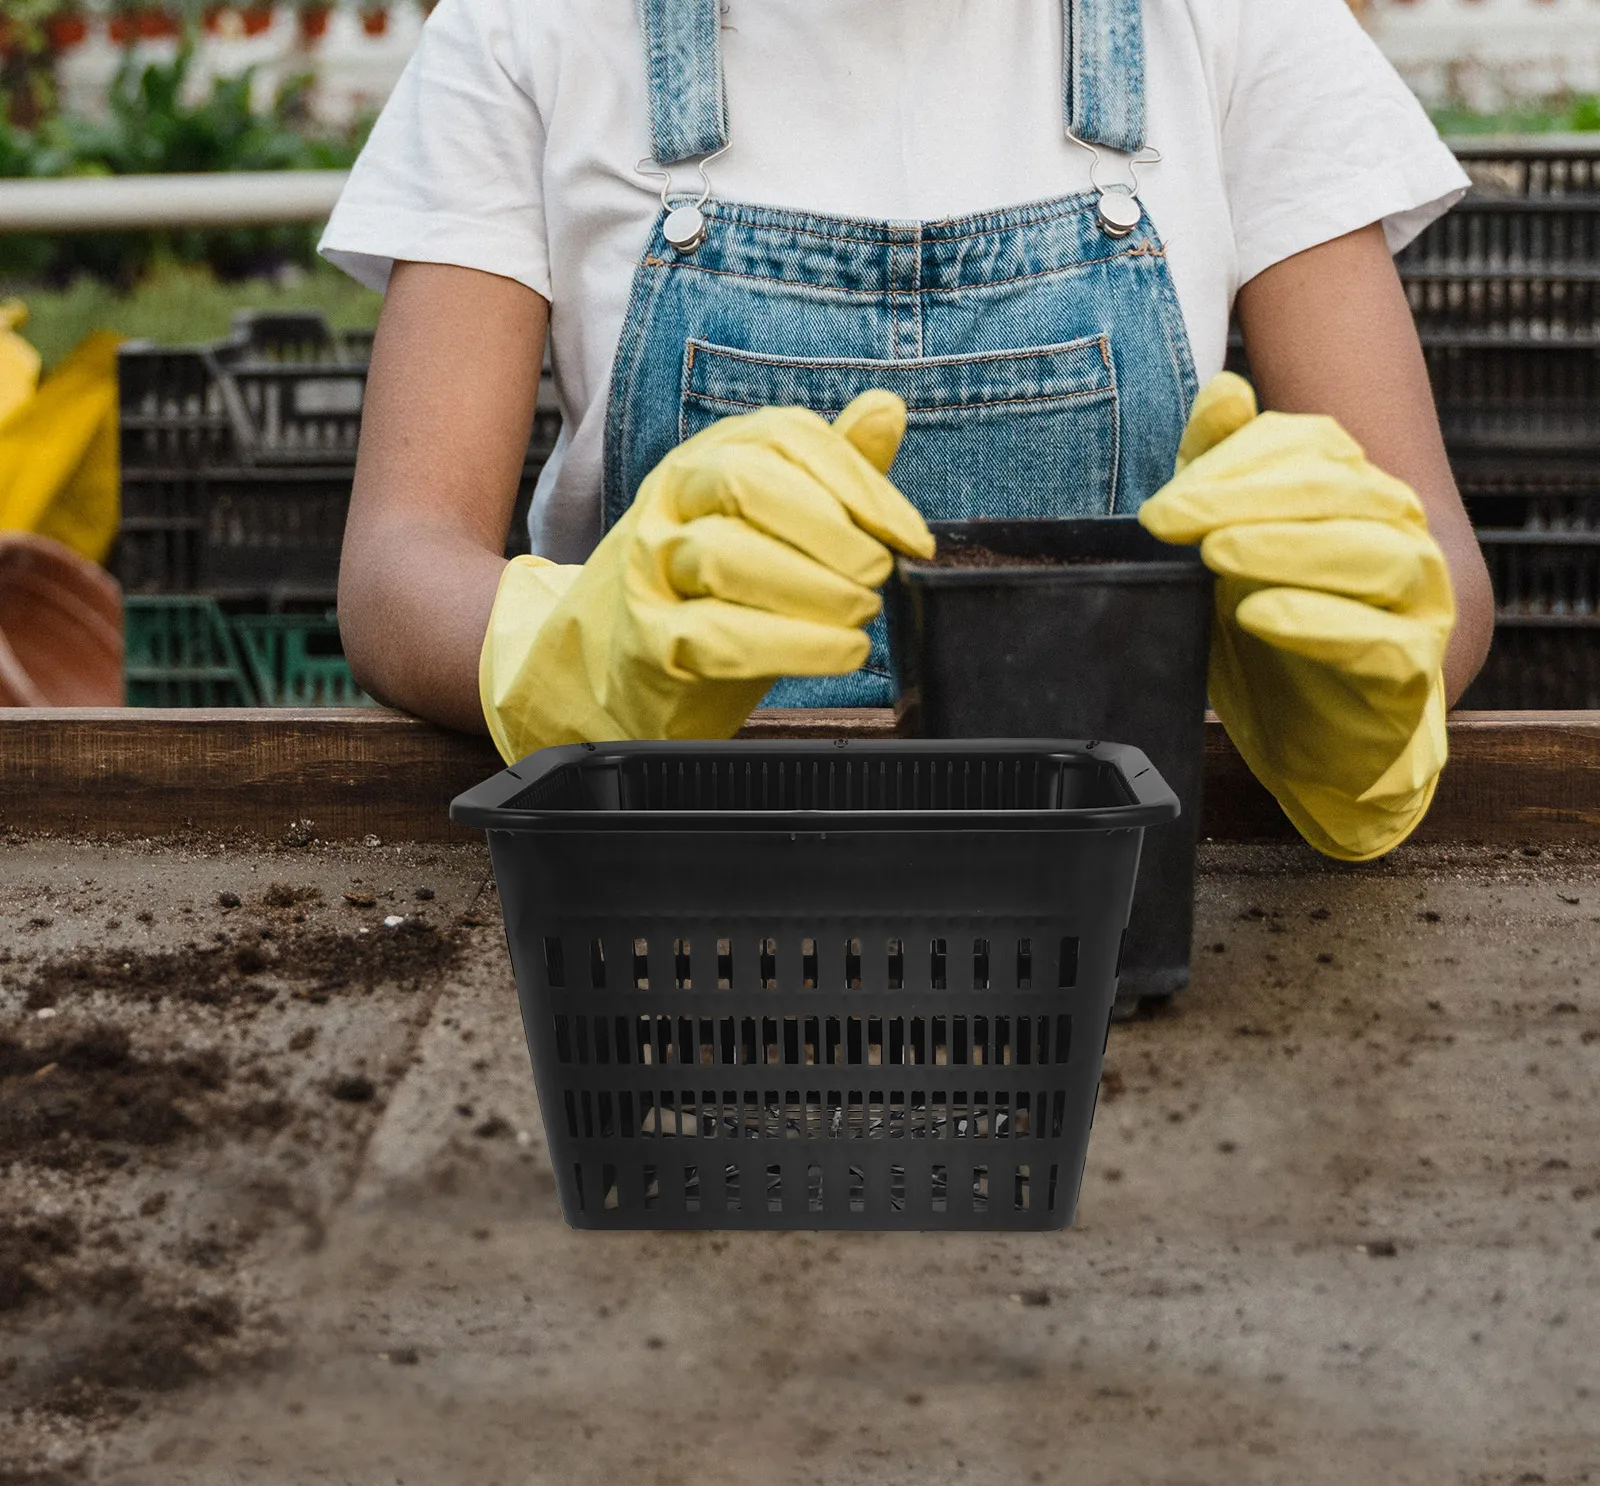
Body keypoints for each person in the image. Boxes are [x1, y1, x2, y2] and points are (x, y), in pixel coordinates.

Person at [322, 0, 1494, 861]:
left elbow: (1434, 553)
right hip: (660, 907)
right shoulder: (528, 28)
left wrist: (1354, 668)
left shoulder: (1239, 21)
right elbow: (396, 564)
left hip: (1115, 897)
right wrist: (573, 653)